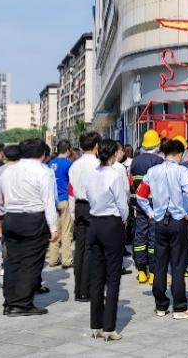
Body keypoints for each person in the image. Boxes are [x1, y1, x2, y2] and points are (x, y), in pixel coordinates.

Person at [135, 139, 188, 320]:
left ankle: (161, 305)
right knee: (177, 265)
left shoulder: (152, 171)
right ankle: (179, 306)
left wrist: (150, 213)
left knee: (160, 263)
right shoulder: (181, 171)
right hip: (178, 221)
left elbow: (140, 195)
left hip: (159, 222)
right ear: (179, 154)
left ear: (163, 153)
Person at [0, 138, 59, 316]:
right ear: (42, 153)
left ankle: (10, 301)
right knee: (31, 262)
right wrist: (53, 227)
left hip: (11, 218)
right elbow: (48, 201)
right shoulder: (43, 171)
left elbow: (2, 197)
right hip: (33, 219)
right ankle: (22, 303)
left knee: (12, 261)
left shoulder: (7, 170)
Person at [83, 139, 129, 342]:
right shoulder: (115, 174)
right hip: (111, 223)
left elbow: (87, 196)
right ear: (113, 155)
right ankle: (109, 327)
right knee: (113, 277)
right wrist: (124, 221)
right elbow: (122, 204)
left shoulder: (91, 174)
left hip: (94, 223)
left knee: (96, 277)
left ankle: (96, 325)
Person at [68, 132, 100, 302]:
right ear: (96, 146)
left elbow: (71, 190)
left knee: (79, 249)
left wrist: (72, 213)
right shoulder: (98, 164)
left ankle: (78, 289)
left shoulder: (75, 165)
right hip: (92, 207)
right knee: (90, 249)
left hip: (79, 206)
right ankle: (87, 290)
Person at [129, 129, 163, 284]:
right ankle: (154, 272)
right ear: (156, 145)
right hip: (155, 204)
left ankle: (142, 271)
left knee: (140, 235)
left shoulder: (135, 161)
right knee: (153, 236)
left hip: (140, 203)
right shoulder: (159, 161)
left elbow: (132, 183)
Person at [46, 140, 74, 268]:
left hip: (52, 201)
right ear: (68, 150)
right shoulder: (68, 164)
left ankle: (53, 259)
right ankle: (66, 259)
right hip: (64, 199)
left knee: (55, 229)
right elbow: (72, 183)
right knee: (66, 231)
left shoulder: (50, 163)